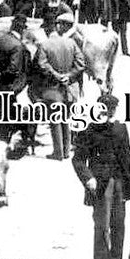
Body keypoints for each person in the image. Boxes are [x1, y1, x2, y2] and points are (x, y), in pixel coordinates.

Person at [72, 93, 130, 259]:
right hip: (100, 184)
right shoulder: (89, 130)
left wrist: (128, 181)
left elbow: (126, 156)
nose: (108, 114)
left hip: (119, 182)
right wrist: (88, 178)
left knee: (119, 224)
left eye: (112, 110)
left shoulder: (121, 129)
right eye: (105, 110)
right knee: (102, 225)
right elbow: (78, 159)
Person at [32, 12, 85, 160]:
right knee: (65, 119)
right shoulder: (72, 43)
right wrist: (68, 76)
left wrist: (56, 75)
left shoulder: (45, 45)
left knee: (55, 119)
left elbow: (42, 65)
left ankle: (58, 152)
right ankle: (67, 151)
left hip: (52, 88)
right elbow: (81, 64)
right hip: (69, 88)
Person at [0, 14, 32, 148]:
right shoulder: (17, 46)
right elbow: (13, 70)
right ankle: (2, 146)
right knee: (5, 119)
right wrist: (0, 76)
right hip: (7, 88)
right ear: (22, 30)